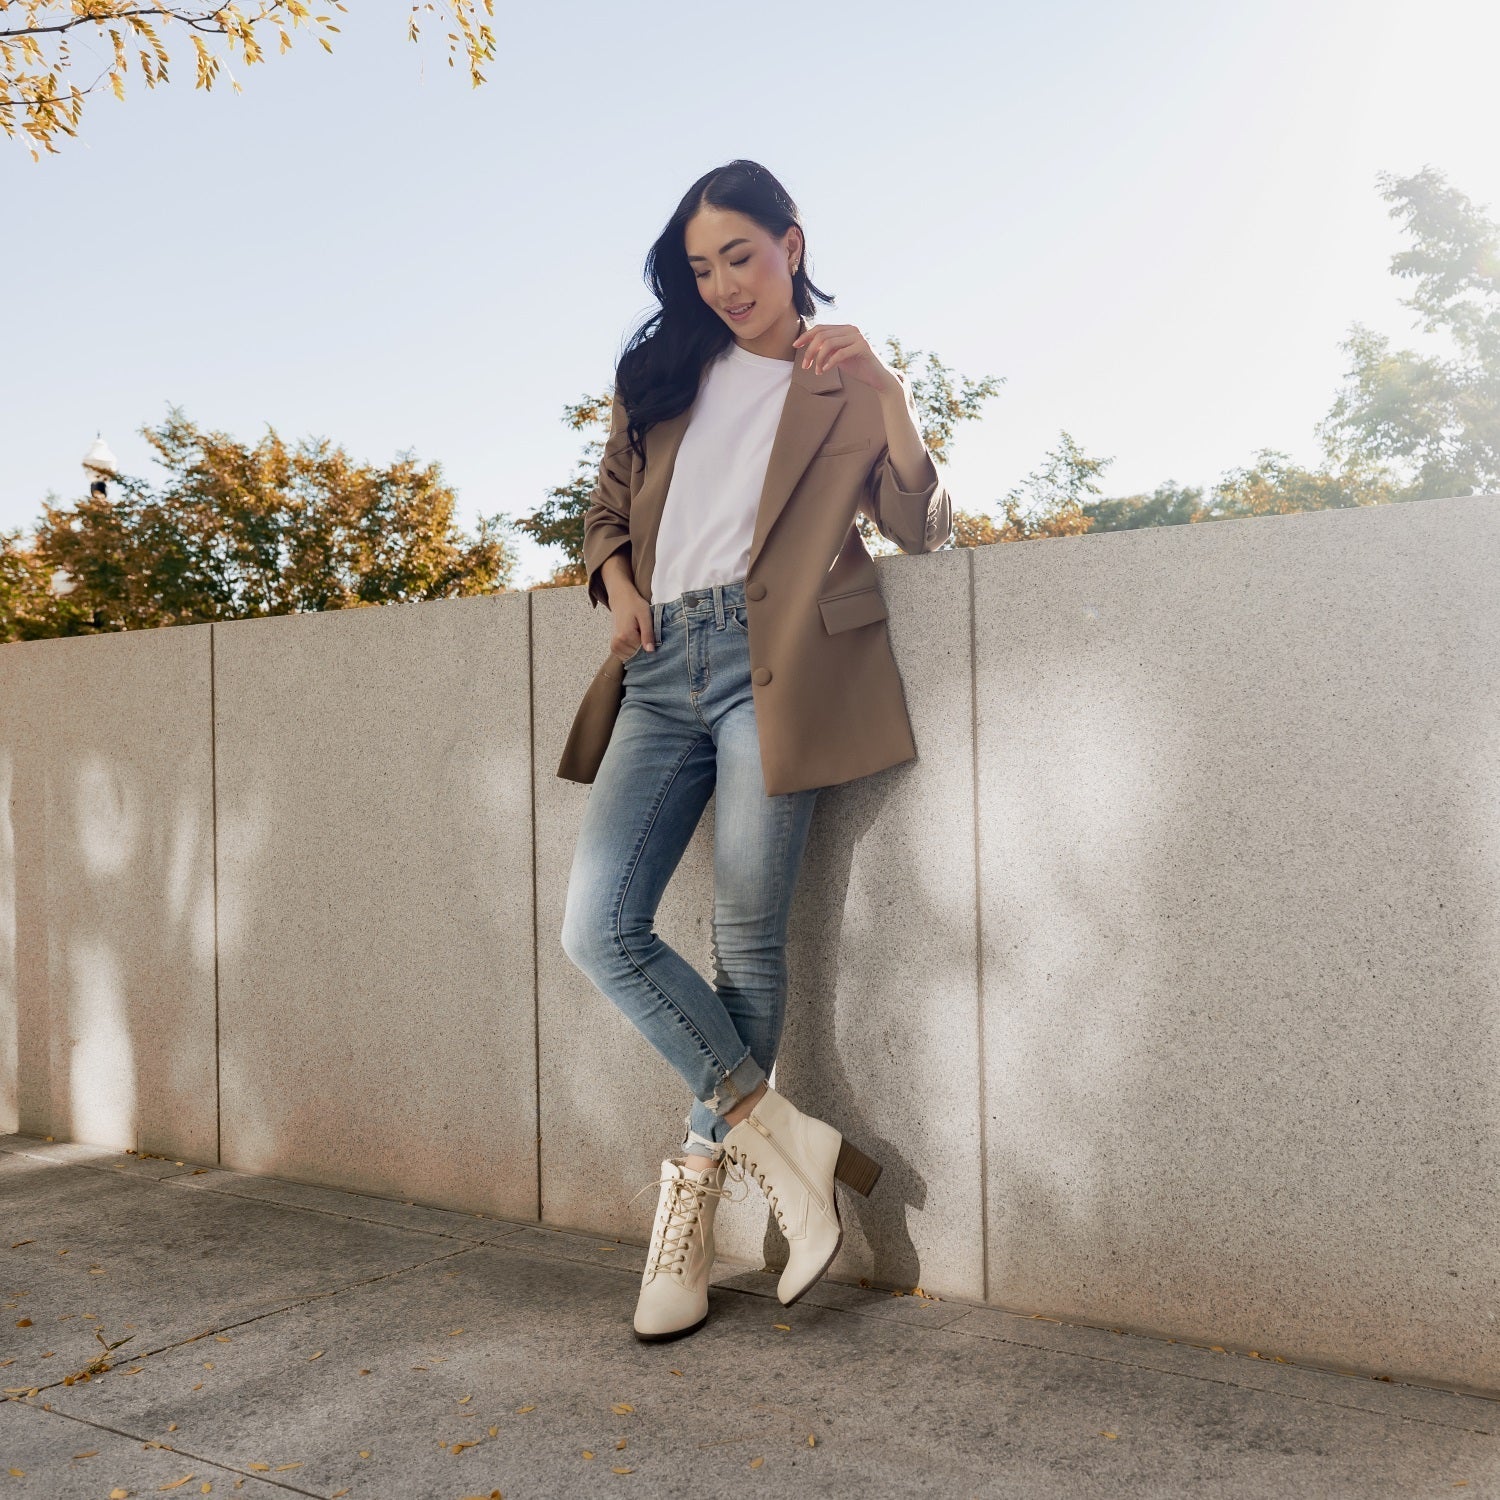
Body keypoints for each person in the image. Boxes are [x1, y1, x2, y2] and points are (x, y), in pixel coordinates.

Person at [557, 158, 954, 1343]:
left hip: (773, 667)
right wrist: (620, 580)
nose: (724, 283)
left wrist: (887, 386)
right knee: (598, 928)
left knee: (744, 952)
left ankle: (689, 1213)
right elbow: (603, 511)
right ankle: (788, 1147)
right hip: (660, 665)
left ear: (791, 242)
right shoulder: (659, 371)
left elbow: (921, 524)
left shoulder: (840, 375)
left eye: (741, 254)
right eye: (700, 265)